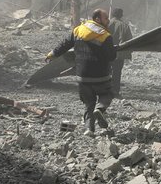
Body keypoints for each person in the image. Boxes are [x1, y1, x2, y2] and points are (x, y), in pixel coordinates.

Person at [47, 8, 117, 136]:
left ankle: (89, 129)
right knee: (108, 93)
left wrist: (52, 54)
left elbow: (65, 45)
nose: (108, 20)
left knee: (89, 103)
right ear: (97, 19)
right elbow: (111, 56)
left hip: (82, 77)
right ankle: (100, 109)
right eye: (106, 18)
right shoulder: (105, 35)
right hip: (101, 76)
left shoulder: (78, 30)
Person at [108, 7, 133, 97]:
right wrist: (128, 53)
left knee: (105, 72)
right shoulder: (124, 26)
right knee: (117, 73)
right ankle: (115, 92)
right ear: (121, 15)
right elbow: (130, 41)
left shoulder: (105, 24)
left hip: (106, 53)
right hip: (119, 54)